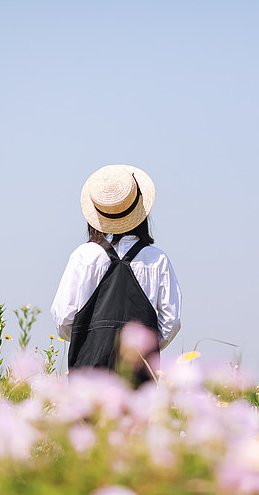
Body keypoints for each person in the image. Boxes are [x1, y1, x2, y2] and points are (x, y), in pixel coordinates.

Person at [50, 164, 182, 385]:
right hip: (140, 371)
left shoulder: (83, 256)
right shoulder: (157, 259)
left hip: (88, 370)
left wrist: (89, 338)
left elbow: (64, 317)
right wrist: (143, 345)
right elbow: (171, 321)